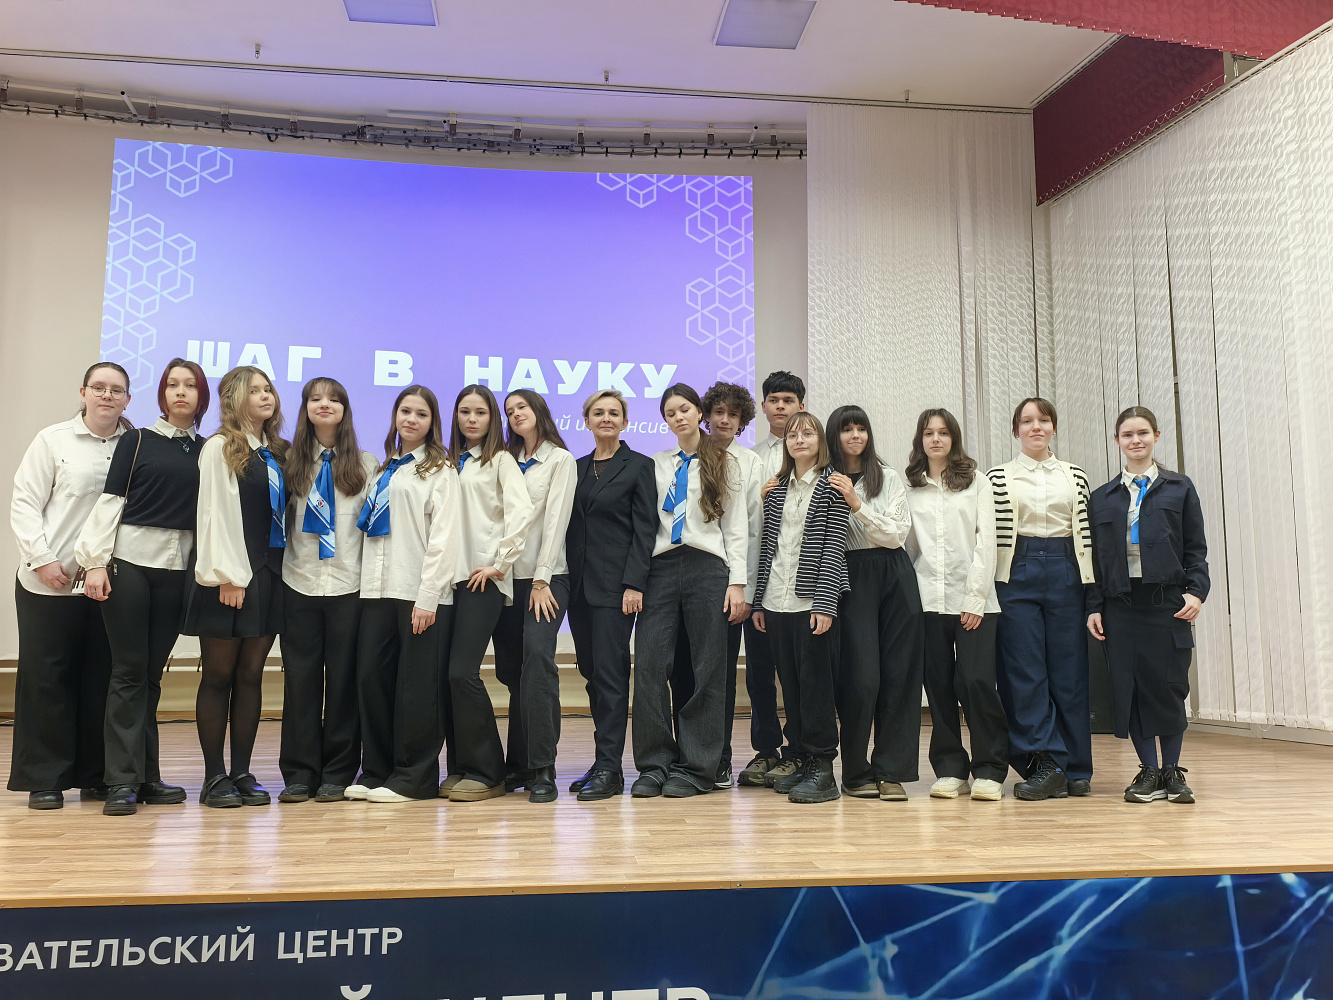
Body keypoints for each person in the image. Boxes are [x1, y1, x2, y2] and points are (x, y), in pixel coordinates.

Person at [74, 359, 208, 816]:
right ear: (162, 394)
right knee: (129, 672)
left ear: (202, 396)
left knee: (151, 675)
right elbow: (111, 501)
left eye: (190, 385)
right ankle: (120, 781)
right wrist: (95, 564)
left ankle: (147, 777)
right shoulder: (137, 440)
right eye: (172, 384)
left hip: (178, 570)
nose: (180, 392)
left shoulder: (208, 450)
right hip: (129, 565)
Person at [9, 362, 132, 810]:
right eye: (98, 387)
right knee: (48, 680)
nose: (107, 396)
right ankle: (45, 778)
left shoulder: (136, 445)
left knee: (101, 679)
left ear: (128, 399)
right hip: (50, 581)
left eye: (116, 390)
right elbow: (25, 502)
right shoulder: (53, 440)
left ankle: (96, 776)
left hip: (108, 584)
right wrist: (41, 559)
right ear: (83, 393)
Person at [631, 383, 749, 798]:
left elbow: (735, 526)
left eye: (684, 409)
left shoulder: (725, 462)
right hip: (660, 568)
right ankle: (654, 765)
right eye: (670, 413)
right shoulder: (655, 464)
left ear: (699, 412)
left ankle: (698, 768)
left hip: (707, 567)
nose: (678, 417)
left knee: (707, 668)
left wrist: (737, 583)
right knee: (649, 665)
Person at [1087, 406, 1208, 805]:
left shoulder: (1179, 488)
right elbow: (1094, 560)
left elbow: (1196, 547)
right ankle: (1149, 771)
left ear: (1156, 436)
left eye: (1142, 433)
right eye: (1127, 434)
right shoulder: (1102, 498)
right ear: (1117, 441)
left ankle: (1172, 771)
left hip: (1167, 602)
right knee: (1132, 688)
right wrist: (1094, 606)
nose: (1135, 440)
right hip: (1121, 604)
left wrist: (1196, 592)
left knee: (1169, 686)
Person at [181, 366, 289, 808]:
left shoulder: (277, 452)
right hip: (228, 576)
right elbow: (213, 514)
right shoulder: (220, 446)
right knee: (219, 675)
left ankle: (242, 772)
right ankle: (214, 777)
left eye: (269, 390)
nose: (266, 396)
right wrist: (228, 575)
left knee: (250, 675)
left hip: (268, 576)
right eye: (255, 390)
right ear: (234, 398)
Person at [348, 385, 460, 803]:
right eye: (406, 411)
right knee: (371, 680)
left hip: (418, 592)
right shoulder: (384, 469)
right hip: (376, 590)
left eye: (421, 414)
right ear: (395, 415)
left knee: (416, 689)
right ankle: (377, 771)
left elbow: (445, 538)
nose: (412, 419)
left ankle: (415, 778)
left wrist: (428, 596)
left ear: (433, 423)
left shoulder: (440, 470)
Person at [277, 377, 379, 804]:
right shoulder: (288, 462)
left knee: (342, 683)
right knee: (300, 683)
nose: (325, 404)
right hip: (298, 583)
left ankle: (338, 772)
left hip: (348, 588)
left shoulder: (367, 464)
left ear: (345, 410)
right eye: (316, 398)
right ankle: (300, 773)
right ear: (305, 408)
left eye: (334, 399)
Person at [988, 397, 1095, 801]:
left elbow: (1087, 534)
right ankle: (1045, 763)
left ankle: (1077, 768)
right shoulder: (997, 477)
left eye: (1044, 420)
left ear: (1054, 428)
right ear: (1016, 430)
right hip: (1016, 569)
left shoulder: (1075, 475)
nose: (1036, 427)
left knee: (1070, 671)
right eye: (1027, 421)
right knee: (1024, 670)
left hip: (1067, 569)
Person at [903, 408, 1008, 803]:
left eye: (944, 432)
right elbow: (908, 547)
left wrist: (975, 598)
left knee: (977, 682)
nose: (936, 439)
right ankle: (950, 769)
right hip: (928, 600)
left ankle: (990, 769)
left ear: (954, 438)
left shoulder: (977, 482)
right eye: (929, 433)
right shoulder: (910, 486)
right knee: (939, 688)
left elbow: (987, 541)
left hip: (974, 601)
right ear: (920, 439)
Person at [751, 412, 850, 803]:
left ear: (820, 440)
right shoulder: (776, 489)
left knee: (816, 687)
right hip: (776, 600)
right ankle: (804, 760)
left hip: (812, 603)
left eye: (808, 433)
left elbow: (834, 548)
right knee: (789, 686)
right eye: (792, 435)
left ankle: (823, 768)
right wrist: (759, 601)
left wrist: (825, 603)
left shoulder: (832, 486)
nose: (799, 440)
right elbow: (767, 548)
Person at [441, 384, 533, 803]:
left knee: (463, 673)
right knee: (446, 676)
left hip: (483, 580)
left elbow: (521, 513)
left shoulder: (501, 461)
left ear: (492, 418)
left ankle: (488, 770)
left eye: (480, 412)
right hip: (447, 582)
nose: (472, 419)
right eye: (465, 411)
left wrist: (500, 563)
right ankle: (461, 766)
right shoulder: (445, 462)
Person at [564, 389, 657, 802]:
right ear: (586, 421)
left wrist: (635, 583)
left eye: (613, 413)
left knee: (611, 676)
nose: (606, 418)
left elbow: (645, 529)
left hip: (616, 589)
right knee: (591, 673)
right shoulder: (576, 468)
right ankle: (602, 761)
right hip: (578, 589)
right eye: (598, 412)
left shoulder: (639, 466)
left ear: (625, 422)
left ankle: (610, 768)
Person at [825, 405, 922, 801]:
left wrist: (857, 504)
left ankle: (891, 771)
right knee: (861, 678)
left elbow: (897, 534)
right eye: (846, 429)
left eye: (861, 428)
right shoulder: (823, 479)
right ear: (834, 436)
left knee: (900, 674)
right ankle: (854, 771)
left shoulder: (888, 476)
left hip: (895, 573)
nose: (855, 436)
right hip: (850, 575)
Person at [669, 381, 761, 789]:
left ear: (742, 421)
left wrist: (743, 587)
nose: (724, 420)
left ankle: (718, 757)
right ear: (705, 414)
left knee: (717, 674)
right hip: (680, 578)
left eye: (733, 414)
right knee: (682, 670)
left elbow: (748, 529)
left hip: (726, 581)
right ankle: (685, 754)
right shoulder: (682, 457)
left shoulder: (748, 463)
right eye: (718, 412)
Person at [491, 389, 576, 803]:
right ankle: (519, 764)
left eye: (521, 407)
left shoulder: (559, 460)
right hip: (506, 579)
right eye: (509, 411)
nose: (515, 414)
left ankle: (543, 767)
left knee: (538, 661)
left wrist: (542, 579)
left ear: (539, 410)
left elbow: (556, 521)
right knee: (512, 673)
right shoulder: (504, 460)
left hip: (547, 578)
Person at [738, 370, 806, 788]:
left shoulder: (815, 456)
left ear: (801, 406)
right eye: (774, 400)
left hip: (799, 582)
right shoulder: (750, 458)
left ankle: (798, 751)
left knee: (797, 672)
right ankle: (766, 750)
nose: (780, 406)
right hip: (759, 577)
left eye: (788, 400)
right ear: (763, 407)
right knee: (759, 671)